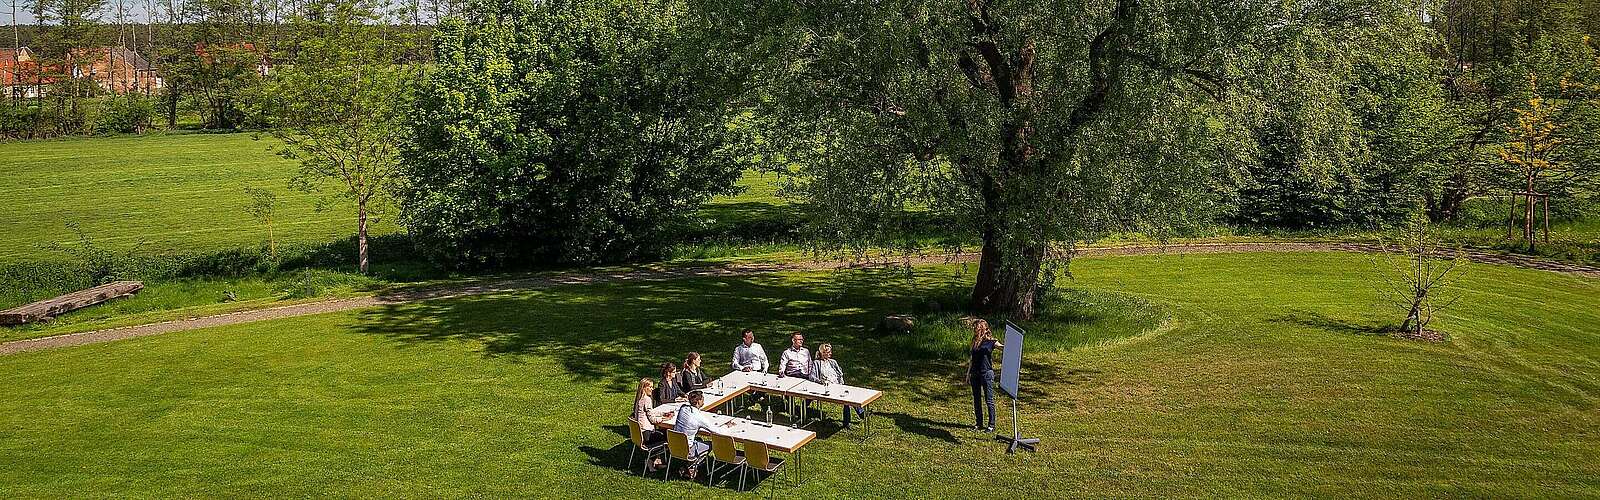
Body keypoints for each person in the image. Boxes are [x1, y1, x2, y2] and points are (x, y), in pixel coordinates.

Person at [810, 343, 866, 428]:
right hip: (827, 387)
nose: (830, 354)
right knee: (846, 401)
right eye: (828, 352)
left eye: (830, 352)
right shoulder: (816, 363)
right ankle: (848, 422)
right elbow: (812, 376)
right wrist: (821, 381)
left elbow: (840, 373)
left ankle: (861, 413)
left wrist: (841, 383)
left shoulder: (833, 362)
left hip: (838, 385)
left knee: (850, 396)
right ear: (823, 352)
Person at [670, 391, 716, 479]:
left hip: (674, 445)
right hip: (688, 450)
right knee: (711, 444)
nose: (703, 401)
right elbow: (715, 431)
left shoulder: (683, 408)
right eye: (702, 399)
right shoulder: (698, 417)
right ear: (698, 401)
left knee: (699, 439)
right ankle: (692, 466)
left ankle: (687, 465)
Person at [969, 319, 1003, 432]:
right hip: (975, 373)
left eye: (977, 328)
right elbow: (972, 359)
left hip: (986, 373)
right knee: (977, 399)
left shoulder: (991, 342)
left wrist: (1012, 345)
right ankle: (979, 423)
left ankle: (991, 425)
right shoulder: (974, 341)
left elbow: (1002, 347)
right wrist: (968, 373)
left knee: (989, 400)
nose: (975, 330)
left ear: (983, 329)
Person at [631, 378, 668, 472]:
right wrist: (664, 419)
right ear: (644, 388)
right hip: (646, 433)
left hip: (640, 432)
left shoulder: (639, 399)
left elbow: (650, 412)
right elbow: (652, 419)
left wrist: (662, 414)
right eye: (650, 387)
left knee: (661, 434)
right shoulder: (647, 400)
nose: (652, 389)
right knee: (667, 435)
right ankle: (651, 460)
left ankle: (657, 460)